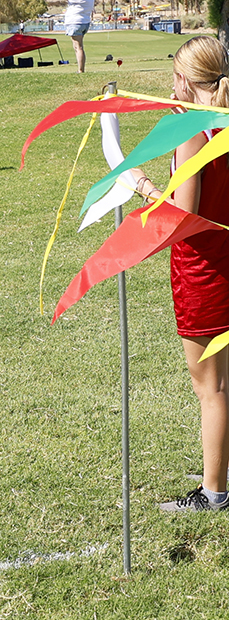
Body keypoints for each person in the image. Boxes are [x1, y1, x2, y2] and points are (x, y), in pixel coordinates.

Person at [131, 36, 229, 512]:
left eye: (174, 76)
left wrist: (143, 186)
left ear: (186, 82)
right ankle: (218, 468)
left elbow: (183, 213)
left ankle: (214, 494)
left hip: (203, 270)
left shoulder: (192, 129)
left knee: (209, 386)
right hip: (223, 260)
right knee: (222, 381)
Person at [60, 0, 95, 73]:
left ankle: (81, 70)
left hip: (76, 22)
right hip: (84, 21)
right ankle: (80, 69)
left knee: (78, 47)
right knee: (78, 47)